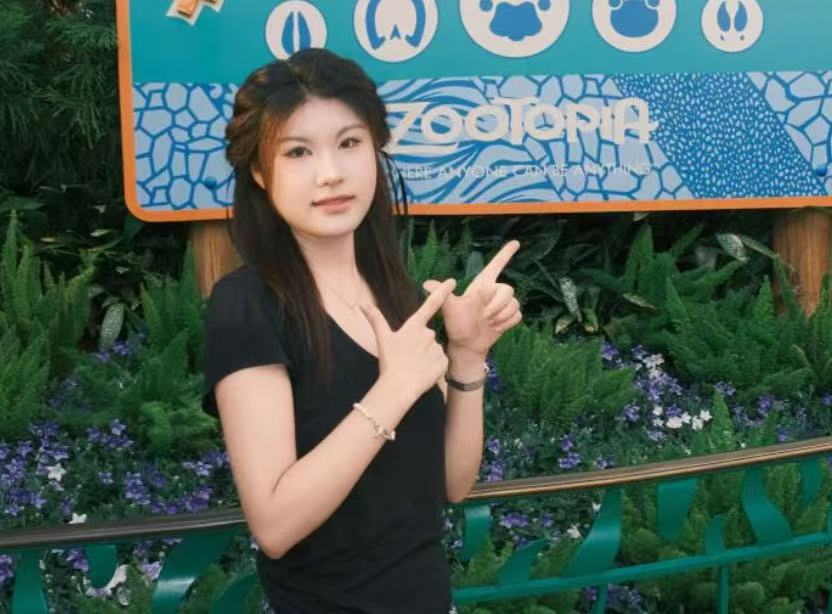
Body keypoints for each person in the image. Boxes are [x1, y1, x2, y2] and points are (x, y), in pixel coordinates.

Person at [201, 47, 522, 613]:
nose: (330, 173)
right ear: (260, 173)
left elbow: (451, 484)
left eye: (349, 143)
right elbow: (274, 525)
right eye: (298, 152)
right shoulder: (247, 305)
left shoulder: (396, 296)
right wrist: (392, 391)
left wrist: (468, 355)